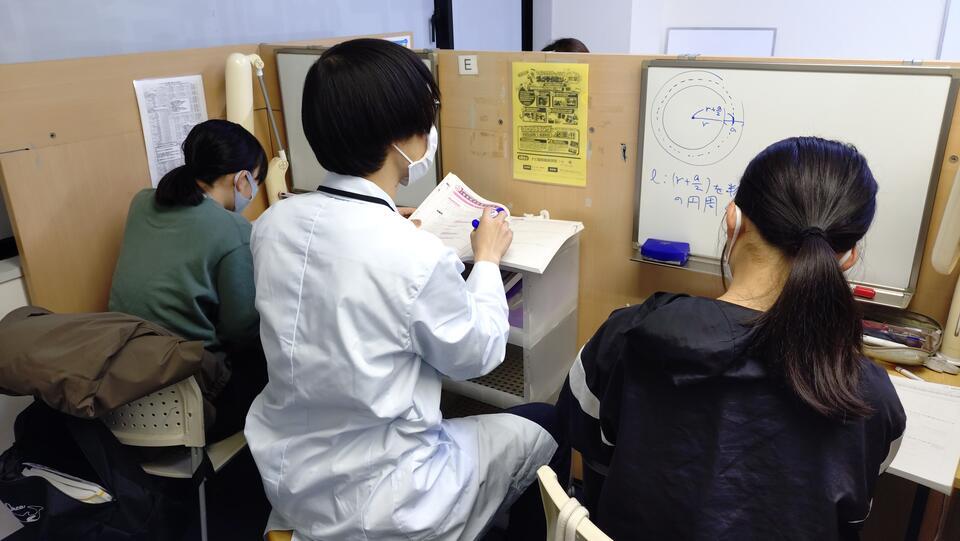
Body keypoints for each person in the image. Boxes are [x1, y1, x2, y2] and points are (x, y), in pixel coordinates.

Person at [244, 39, 566, 540]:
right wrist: (486, 260)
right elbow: (478, 354)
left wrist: (390, 224)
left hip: (293, 482)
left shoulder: (271, 225)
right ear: (402, 137)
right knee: (548, 423)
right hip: (391, 501)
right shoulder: (413, 255)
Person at [558, 137, 906, 539]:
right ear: (847, 258)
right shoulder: (871, 399)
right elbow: (851, 513)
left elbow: (587, 446)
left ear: (733, 221)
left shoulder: (626, 336)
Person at [110, 119, 268, 439]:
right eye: (256, 182)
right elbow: (240, 330)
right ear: (241, 179)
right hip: (192, 394)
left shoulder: (142, 202)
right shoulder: (233, 230)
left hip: (123, 379)